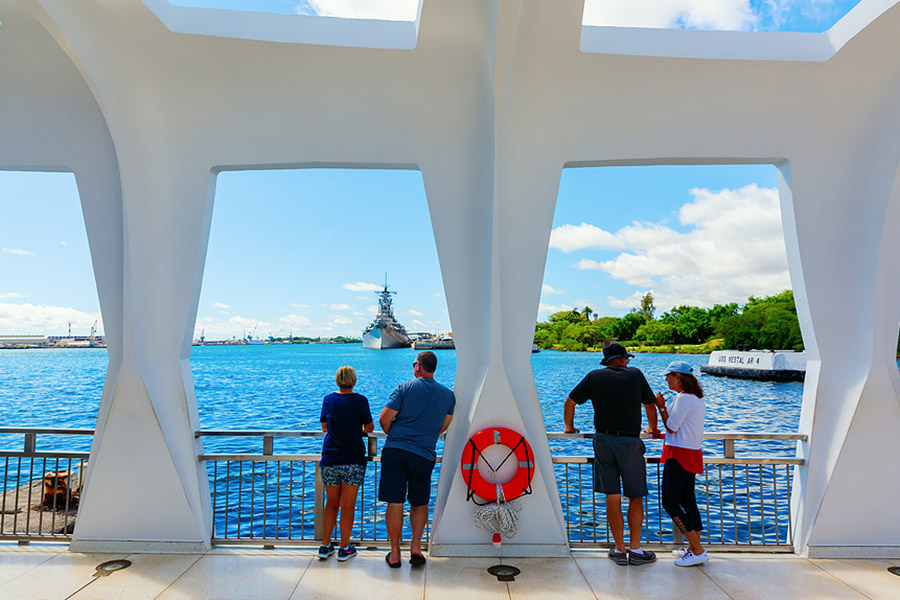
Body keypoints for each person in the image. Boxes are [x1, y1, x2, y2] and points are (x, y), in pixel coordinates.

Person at [563, 342, 660, 566]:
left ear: (606, 361)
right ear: (624, 359)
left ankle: (618, 549)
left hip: (603, 441)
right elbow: (650, 404)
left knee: (612, 496)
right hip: (629, 441)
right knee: (636, 496)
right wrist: (652, 429)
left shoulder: (594, 376)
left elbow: (570, 402)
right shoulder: (635, 375)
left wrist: (569, 427)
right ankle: (635, 550)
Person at [378, 351, 455, 569]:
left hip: (396, 450)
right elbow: (443, 426)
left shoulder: (405, 388)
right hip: (423, 454)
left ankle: (394, 554)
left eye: (414, 364)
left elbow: (384, 419)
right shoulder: (448, 396)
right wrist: (424, 435)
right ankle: (415, 548)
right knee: (419, 502)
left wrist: (397, 435)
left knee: (395, 502)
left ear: (418, 367)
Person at [318, 366, 374, 562]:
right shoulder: (361, 401)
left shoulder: (328, 399)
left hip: (330, 458)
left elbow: (324, 426)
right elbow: (370, 427)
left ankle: (325, 546)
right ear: (354, 380)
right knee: (347, 506)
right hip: (353, 459)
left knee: (331, 503)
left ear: (337, 379)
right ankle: (344, 548)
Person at [655, 361, 709, 567]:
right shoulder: (694, 398)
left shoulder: (684, 399)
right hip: (690, 453)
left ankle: (697, 550)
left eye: (668, 376)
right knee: (687, 500)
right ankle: (694, 547)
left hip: (678, 455)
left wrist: (660, 407)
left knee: (669, 502)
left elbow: (672, 427)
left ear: (678, 377)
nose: (665, 379)